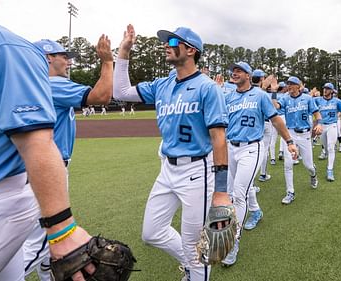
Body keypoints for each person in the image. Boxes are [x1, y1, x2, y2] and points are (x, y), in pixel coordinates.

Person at [0, 1, 94, 280]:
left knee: (36, 251)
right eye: (61, 55)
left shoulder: (1, 47)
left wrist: (62, 227)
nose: (67, 60)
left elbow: (37, 142)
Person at [113, 24, 232, 281]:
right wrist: (123, 51)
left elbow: (219, 138)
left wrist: (221, 191)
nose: (165, 46)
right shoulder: (162, 85)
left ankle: (195, 269)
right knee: (152, 232)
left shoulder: (207, 87)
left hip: (197, 171)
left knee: (194, 247)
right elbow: (120, 92)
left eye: (172, 42)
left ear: (190, 50)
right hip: (168, 169)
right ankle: (192, 265)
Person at [21, 37, 114, 280]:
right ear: (48, 57)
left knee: (40, 241)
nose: (68, 61)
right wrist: (107, 61)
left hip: (29, 169)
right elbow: (101, 96)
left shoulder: (29, 84)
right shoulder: (52, 84)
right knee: (41, 242)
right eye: (64, 55)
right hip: (48, 169)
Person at [223, 62, 297, 266]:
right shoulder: (228, 97)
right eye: (233, 71)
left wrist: (289, 141)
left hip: (251, 148)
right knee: (234, 191)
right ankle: (255, 211)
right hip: (231, 147)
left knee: (238, 193)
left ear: (248, 75)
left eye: (239, 70)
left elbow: (276, 121)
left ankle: (232, 241)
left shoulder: (260, 96)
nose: (234, 73)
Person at [271, 76, 323, 204]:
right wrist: (273, 92)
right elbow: (276, 106)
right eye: (288, 84)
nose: (289, 86)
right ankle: (290, 192)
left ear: (298, 86)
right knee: (288, 164)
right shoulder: (285, 98)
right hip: (290, 134)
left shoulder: (307, 98)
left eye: (291, 84)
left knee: (308, 165)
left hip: (305, 135)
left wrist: (319, 123)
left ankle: (313, 174)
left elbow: (316, 113)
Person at [314, 82, 341, 181]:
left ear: (332, 91)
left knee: (331, 148)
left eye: (327, 88)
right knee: (326, 148)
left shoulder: (338, 101)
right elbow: (306, 103)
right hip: (322, 126)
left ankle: (330, 170)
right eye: (324, 88)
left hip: (332, 125)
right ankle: (328, 153)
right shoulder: (317, 100)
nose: (325, 90)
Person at [251, 69, 272, 182]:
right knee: (263, 150)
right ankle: (263, 174)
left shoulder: (246, 90)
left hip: (252, 124)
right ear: (261, 79)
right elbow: (271, 110)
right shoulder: (263, 94)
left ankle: (252, 180)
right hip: (265, 123)